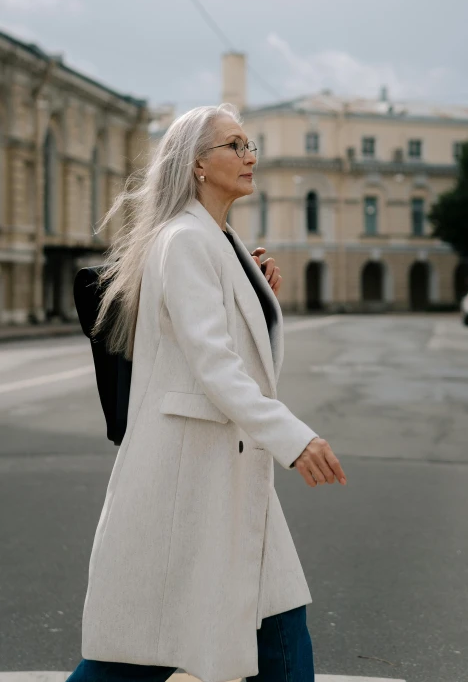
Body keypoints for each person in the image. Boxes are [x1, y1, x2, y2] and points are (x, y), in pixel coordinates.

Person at [66, 103, 346, 682]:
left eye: (250, 146)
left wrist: (256, 292)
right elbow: (214, 366)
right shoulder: (186, 240)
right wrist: (295, 438)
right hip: (191, 475)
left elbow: (235, 347)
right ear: (196, 164)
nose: (250, 157)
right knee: (132, 657)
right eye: (235, 146)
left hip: (232, 471)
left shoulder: (219, 240)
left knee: (277, 632)